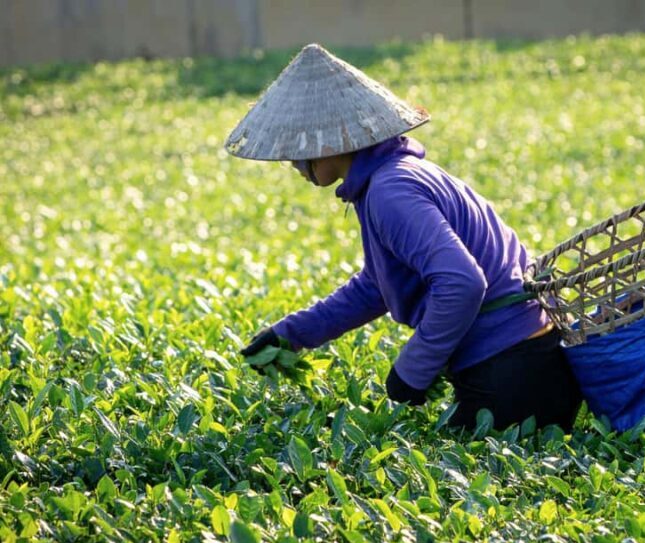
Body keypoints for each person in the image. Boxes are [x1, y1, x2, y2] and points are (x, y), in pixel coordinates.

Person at [227, 43, 581, 432]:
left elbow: (462, 282)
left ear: (331, 141)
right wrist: (289, 335)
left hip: (514, 369)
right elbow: (376, 287)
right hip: (525, 359)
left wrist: (413, 369)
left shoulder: (390, 191)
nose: (291, 163)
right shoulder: (390, 177)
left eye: (296, 149)